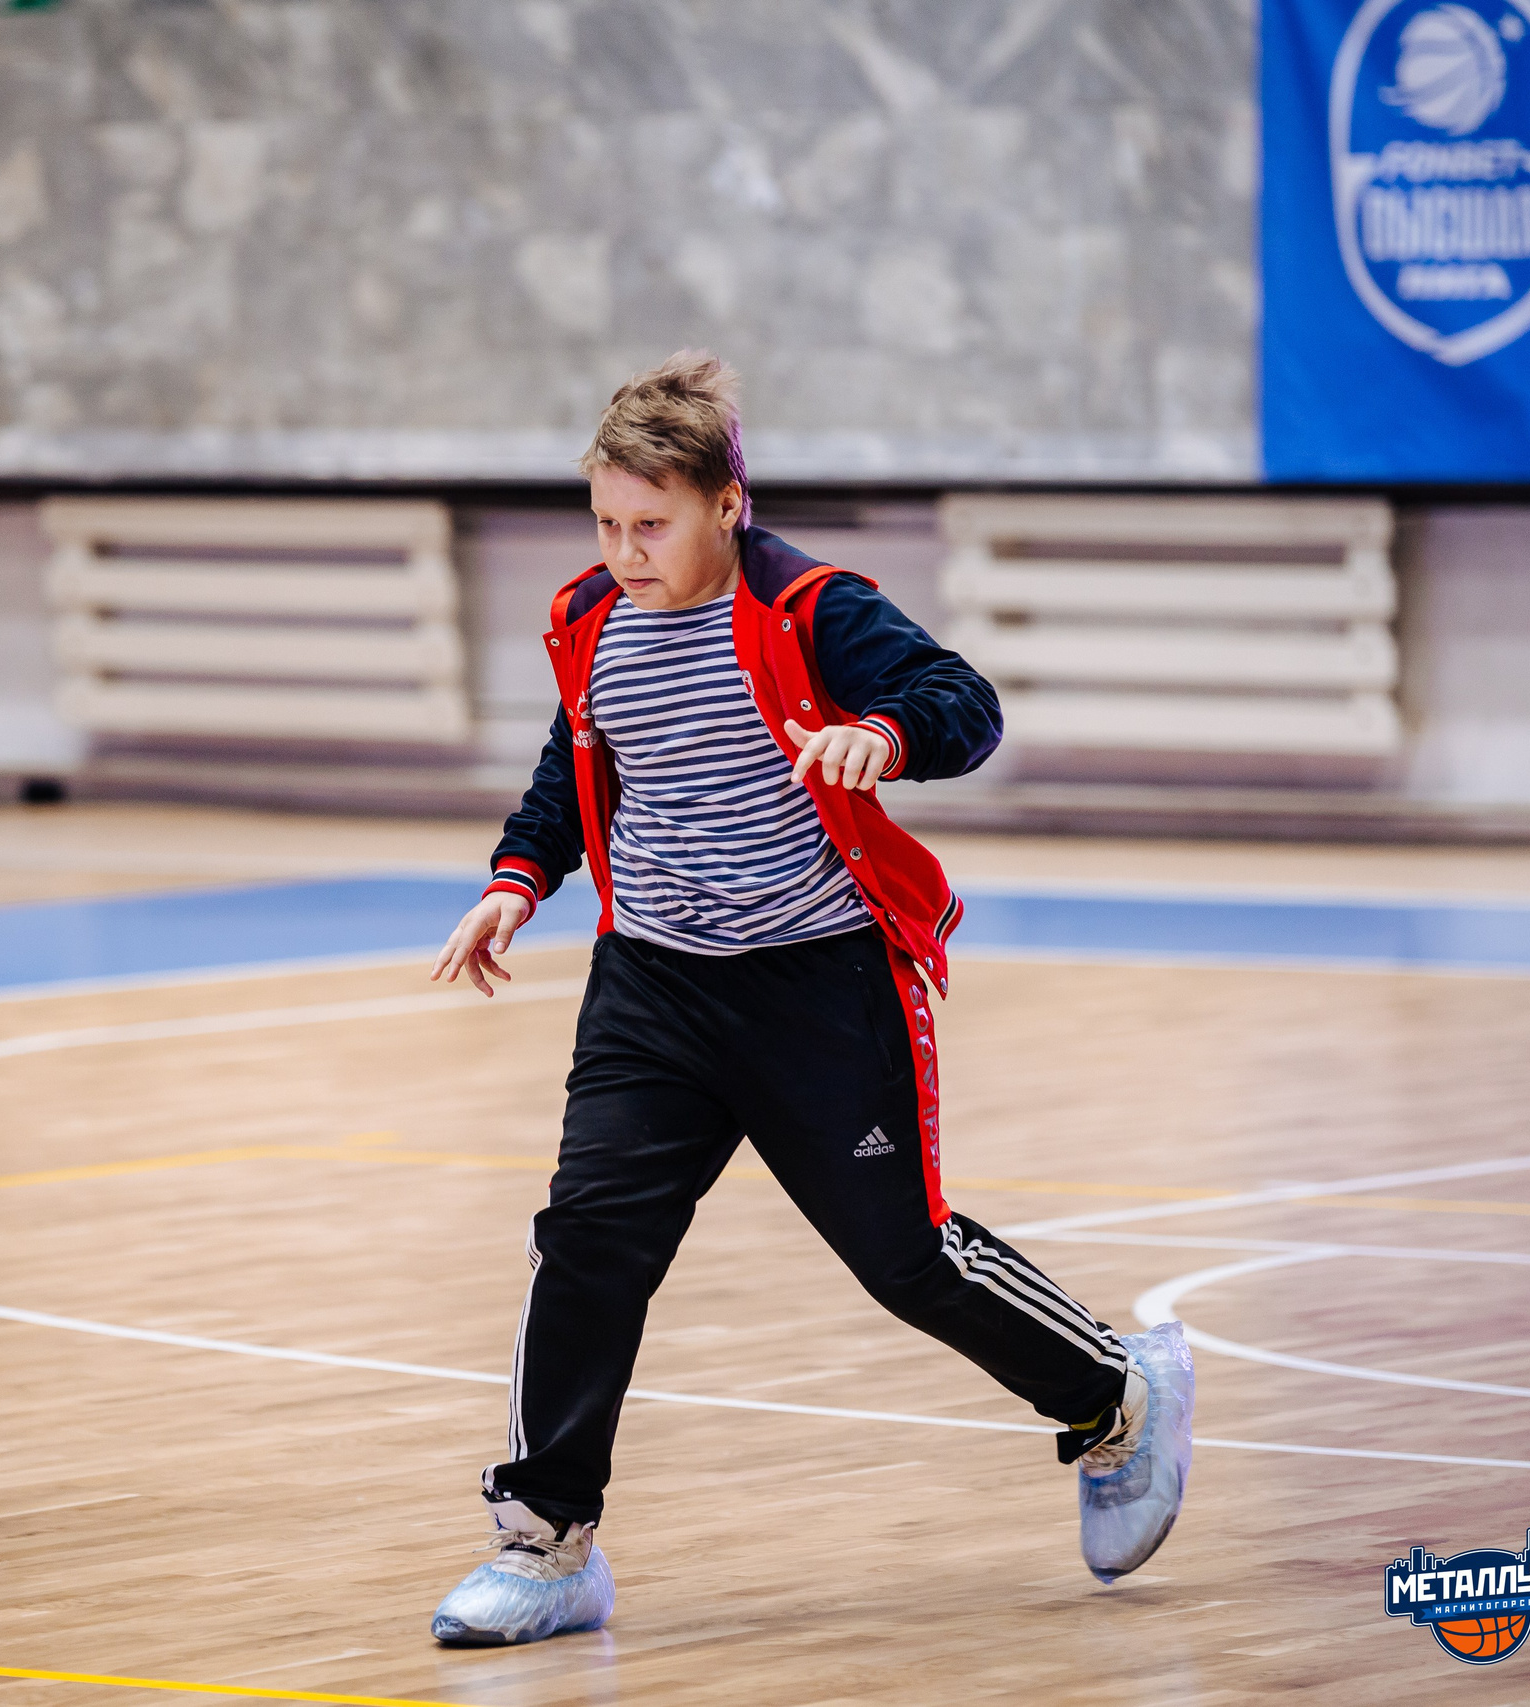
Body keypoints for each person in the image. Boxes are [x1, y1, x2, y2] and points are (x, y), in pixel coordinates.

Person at [423, 352, 1192, 1646]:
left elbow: (963, 703)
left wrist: (885, 735)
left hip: (818, 984)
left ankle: (1117, 1392)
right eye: (607, 524)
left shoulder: (811, 610)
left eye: (650, 525)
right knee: (588, 1244)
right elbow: (579, 758)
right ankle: (545, 1545)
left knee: (906, 1260)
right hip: (654, 986)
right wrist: (517, 878)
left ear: (728, 503)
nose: (624, 551)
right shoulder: (587, 620)